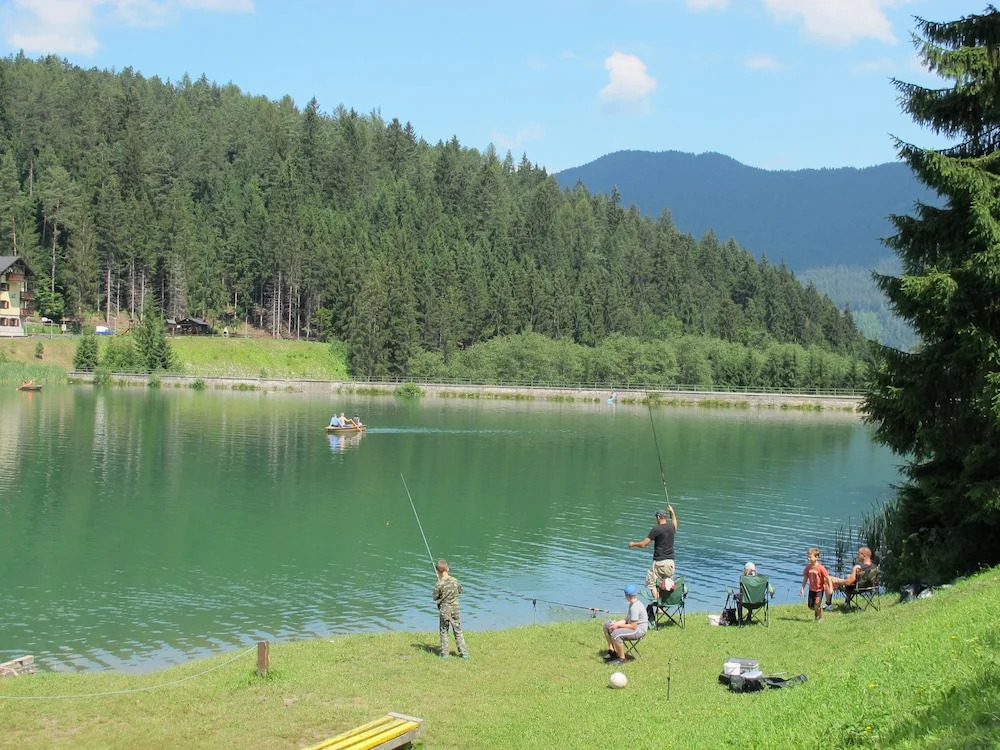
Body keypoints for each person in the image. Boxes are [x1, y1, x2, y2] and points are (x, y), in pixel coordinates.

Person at [628, 506, 678, 601]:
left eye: (656, 517)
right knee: (667, 584)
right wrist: (672, 512)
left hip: (659, 562)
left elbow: (643, 544)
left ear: (658, 517)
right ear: (665, 517)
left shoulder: (656, 529)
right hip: (670, 563)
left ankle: (659, 605)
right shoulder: (671, 527)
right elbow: (675, 523)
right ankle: (664, 603)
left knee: (651, 584)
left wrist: (633, 544)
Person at [602, 584, 648, 665]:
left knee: (616, 634)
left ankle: (622, 659)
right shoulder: (632, 603)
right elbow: (626, 620)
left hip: (639, 631)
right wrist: (615, 624)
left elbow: (633, 626)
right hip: (633, 627)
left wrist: (618, 626)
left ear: (627, 596)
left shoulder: (635, 607)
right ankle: (612, 651)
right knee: (607, 625)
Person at [432, 559, 469, 659]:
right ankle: (464, 653)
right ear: (447, 569)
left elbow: (435, 597)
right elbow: (460, 590)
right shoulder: (455, 580)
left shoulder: (439, 584)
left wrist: (439, 583)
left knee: (444, 630)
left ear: (438, 571)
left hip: (444, 610)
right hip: (455, 610)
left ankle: (445, 653)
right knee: (458, 630)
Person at [799, 547, 832, 622]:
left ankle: (821, 617)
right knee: (810, 606)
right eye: (808, 557)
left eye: (810, 557)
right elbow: (805, 579)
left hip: (819, 590)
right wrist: (802, 588)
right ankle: (817, 612)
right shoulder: (808, 568)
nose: (808, 559)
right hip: (811, 590)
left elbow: (828, 577)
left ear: (816, 557)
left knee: (817, 605)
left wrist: (830, 588)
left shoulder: (821, 568)